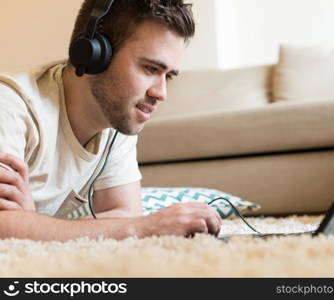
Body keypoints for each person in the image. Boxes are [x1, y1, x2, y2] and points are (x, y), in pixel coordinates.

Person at [0, 0, 221, 241]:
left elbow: (126, 212)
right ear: (94, 53)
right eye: (149, 69)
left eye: (168, 76)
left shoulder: (117, 120)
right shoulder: (10, 106)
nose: (161, 93)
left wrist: (31, 223)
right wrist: (145, 227)